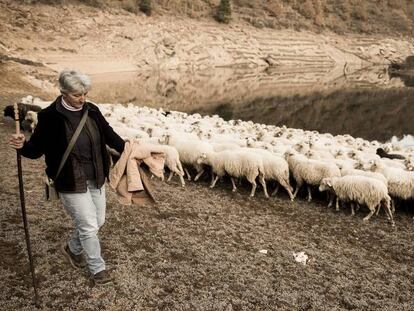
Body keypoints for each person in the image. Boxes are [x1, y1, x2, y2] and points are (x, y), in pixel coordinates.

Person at [9, 69, 125, 286]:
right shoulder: (49, 117)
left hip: (96, 177)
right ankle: (98, 269)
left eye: (85, 93)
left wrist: (131, 149)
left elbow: (111, 136)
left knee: (98, 221)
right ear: (63, 92)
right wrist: (22, 144)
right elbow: (35, 150)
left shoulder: (92, 111)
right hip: (70, 180)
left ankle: (72, 248)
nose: (82, 99)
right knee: (89, 225)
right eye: (76, 95)